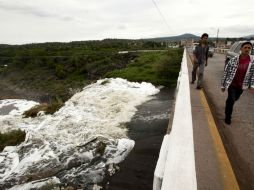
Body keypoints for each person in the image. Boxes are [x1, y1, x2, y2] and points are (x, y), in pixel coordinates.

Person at [221, 41, 254, 125]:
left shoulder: (252, 61)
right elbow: (226, 72)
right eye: (245, 47)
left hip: (242, 85)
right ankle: (228, 117)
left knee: (235, 98)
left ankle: (228, 104)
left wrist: (252, 85)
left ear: (251, 49)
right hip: (232, 83)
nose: (247, 49)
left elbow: (253, 74)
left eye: (249, 48)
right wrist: (223, 85)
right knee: (231, 99)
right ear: (241, 49)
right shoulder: (233, 60)